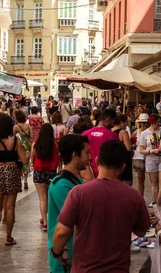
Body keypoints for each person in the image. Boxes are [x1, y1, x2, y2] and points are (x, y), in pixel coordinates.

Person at [51, 141, 150, 271]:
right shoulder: (134, 196)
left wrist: (56, 252)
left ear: (97, 161)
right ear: (122, 167)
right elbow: (142, 230)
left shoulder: (78, 193)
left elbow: (61, 232)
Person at [47, 134, 91, 273]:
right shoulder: (62, 185)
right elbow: (77, 219)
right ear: (75, 155)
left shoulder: (74, 179)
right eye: (87, 152)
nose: (89, 157)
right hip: (65, 258)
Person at [0, 113, 29, 248]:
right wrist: (28, 152)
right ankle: (9, 237)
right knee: (10, 207)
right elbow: (24, 160)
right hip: (12, 171)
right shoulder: (15, 141)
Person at [31, 123, 59, 232]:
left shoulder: (36, 144)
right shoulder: (54, 144)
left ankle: (44, 221)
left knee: (42, 198)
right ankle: (48, 219)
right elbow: (57, 159)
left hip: (39, 171)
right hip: (51, 172)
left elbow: (32, 159)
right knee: (49, 197)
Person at [84, 109, 118, 176]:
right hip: (106, 172)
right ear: (108, 120)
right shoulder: (111, 135)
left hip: (88, 172)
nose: (113, 126)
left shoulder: (85, 134)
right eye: (112, 123)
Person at [139, 114, 161, 207]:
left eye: (159, 122)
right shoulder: (145, 133)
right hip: (151, 159)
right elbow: (141, 150)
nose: (158, 124)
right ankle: (154, 201)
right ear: (152, 122)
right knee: (154, 181)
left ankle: (160, 201)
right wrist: (150, 151)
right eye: (157, 122)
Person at [112, 113, 134, 186]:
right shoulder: (123, 132)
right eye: (126, 123)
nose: (126, 125)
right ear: (121, 122)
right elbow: (128, 148)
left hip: (114, 157)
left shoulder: (111, 131)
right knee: (126, 183)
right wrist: (133, 146)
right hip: (125, 158)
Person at [132, 113, 149, 197]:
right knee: (140, 179)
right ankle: (140, 197)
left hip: (148, 156)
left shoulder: (149, 132)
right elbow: (132, 144)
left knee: (153, 180)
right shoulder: (136, 133)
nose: (144, 125)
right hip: (138, 157)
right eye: (142, 123)